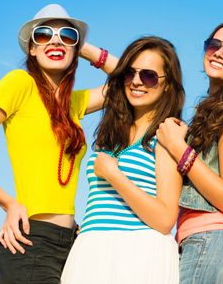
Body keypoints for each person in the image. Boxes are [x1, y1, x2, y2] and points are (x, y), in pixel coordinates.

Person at [0, 4, 117, 284]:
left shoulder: (75, 103)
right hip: (28, 242)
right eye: (44, 34)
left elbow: (131, 80)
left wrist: (83, 47)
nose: (56, 40)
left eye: (67, 35)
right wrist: (8, 202)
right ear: (30, 49)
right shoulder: (19, 83)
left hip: (72, 244)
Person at [61, 36, 185, 283]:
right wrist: (77, 45)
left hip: (139, 252)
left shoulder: (167, 134)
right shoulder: (109, 134)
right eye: (130, 73)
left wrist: (115, 175)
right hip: (89, 249)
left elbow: (164, 219)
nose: (137, 81)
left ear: (168, 85)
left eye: (149, 76)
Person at [156, 20, 223, 284]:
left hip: (214, 241)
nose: (218, 53)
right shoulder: (215, 112)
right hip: (203, 241)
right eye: (214, 45)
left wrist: (178, 148)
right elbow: (141, 78)